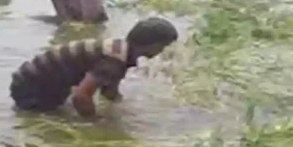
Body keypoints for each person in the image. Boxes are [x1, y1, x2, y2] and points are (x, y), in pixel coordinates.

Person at [10, 17, 178, 117]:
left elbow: (108, 91)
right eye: (161, 46)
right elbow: (81, 97)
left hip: (41, 79)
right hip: (32, 86)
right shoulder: (114, 61)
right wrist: (94, 126)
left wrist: (122, 109)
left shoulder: (120, 49)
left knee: (60, 113)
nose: (161, 51)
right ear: (149, 44)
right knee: (49, 119)